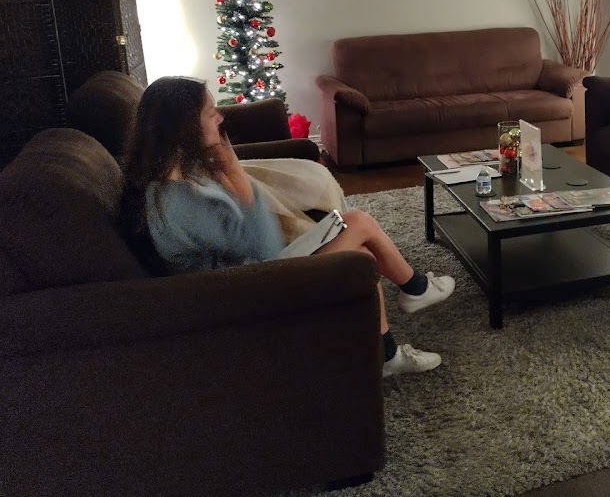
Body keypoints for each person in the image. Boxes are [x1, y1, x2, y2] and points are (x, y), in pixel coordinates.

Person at [121, 76, 454, 378]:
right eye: (210, 112)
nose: (220, 117)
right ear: (184, 125)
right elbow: (264, 248)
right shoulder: (178, 202)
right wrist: (237, 178)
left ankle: (389, 350)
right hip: (251, 289)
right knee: (358, 223)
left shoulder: (175, 178)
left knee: (362, 253)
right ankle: (415, 288)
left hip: (242, 277)